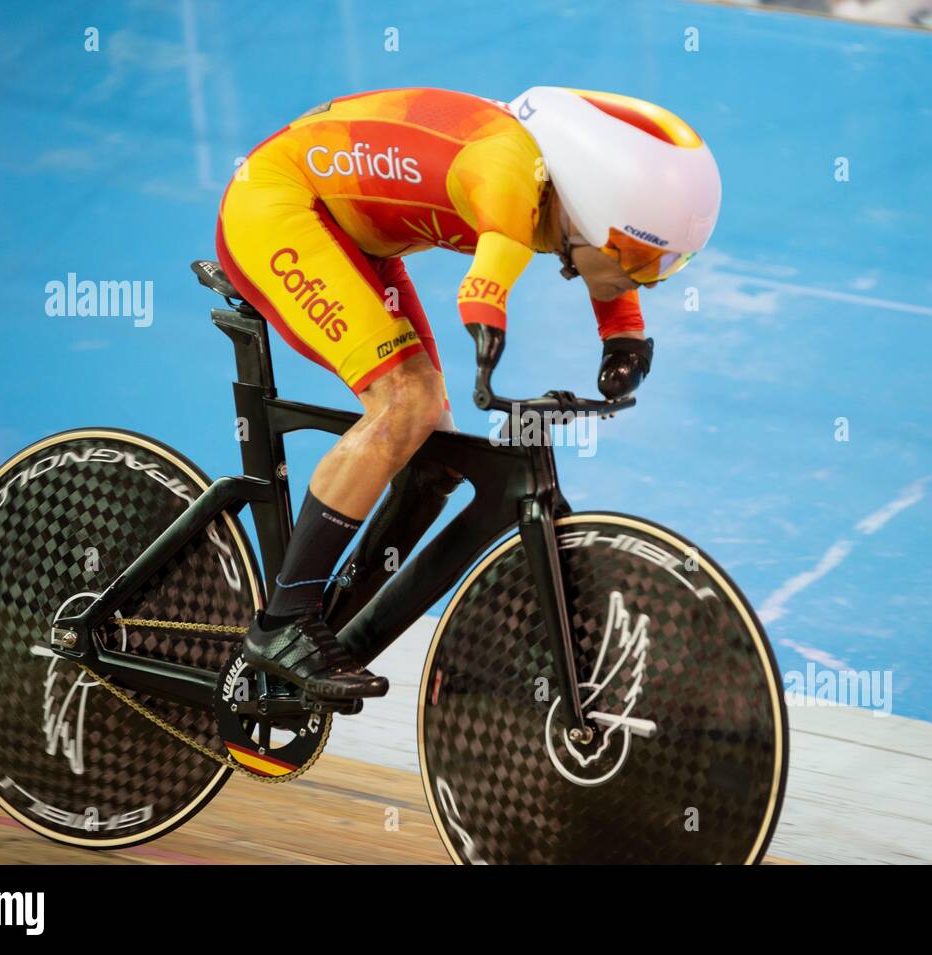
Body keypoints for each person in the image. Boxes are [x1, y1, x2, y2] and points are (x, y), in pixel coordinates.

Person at [215, 86, 722, 700]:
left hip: (356, 230)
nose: (645, 277)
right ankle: (283, 623)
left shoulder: (572, 203)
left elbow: (606, 262)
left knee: (438, 448)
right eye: (642, 256)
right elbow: (485, 285)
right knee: (406, 405)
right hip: (279, 206)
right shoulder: (508, 174)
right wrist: (489, 345)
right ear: (590, 207)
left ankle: (341, 606)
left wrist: (623, 336)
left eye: (669, 265)